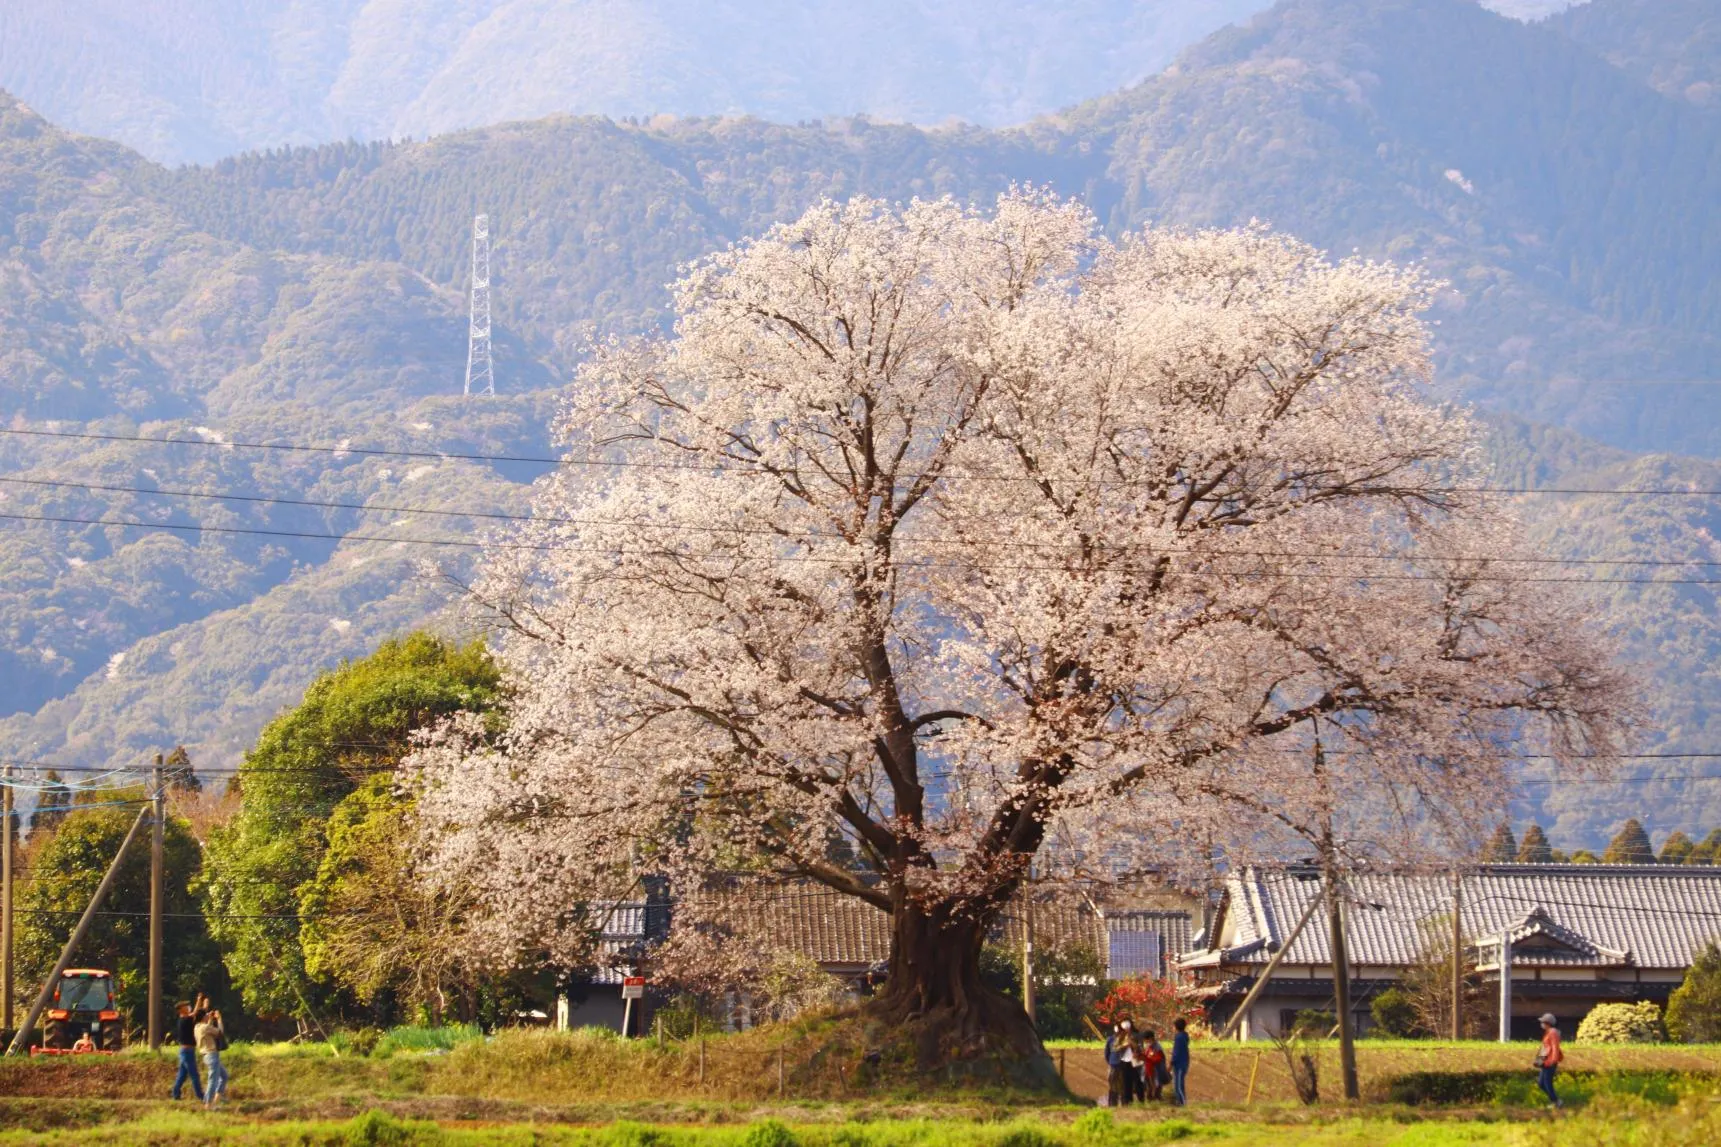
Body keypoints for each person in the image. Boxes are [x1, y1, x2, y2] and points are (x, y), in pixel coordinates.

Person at [170, 1000, 204, 1101]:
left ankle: (175, 1093)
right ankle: (201, 1096)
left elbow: (194, 1013)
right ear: (181, 1010)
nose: (188, 1007)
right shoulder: (184, 1020)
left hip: (187, 1052)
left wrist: (199, 1001)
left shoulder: (185, 1019)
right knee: (194, 1075)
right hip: (187, 1052)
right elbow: (195, 1013)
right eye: (185, 1006)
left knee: (182, 1075)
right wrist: (198, 1000)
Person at [196, 1007, 229, 1108]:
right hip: (211, 1055)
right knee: (213, 1080)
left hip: (207, 1055)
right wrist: (219, 1019)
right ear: (203, 1017)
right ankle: (208, 1104)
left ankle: (216, 1099)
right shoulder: (205, 1027)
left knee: (224, 1076)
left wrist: (209, 1019)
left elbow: (208, 1030)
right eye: (206, 1015)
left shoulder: (197, 1027)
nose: (207, 1015)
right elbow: (220, 1032)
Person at [1104, 1017, 1140, 1106]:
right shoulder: (1113, 1039)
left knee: (1123, 1085)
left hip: (1122, 1065)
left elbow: (1136, 1049)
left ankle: (1124, 1103)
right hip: (1115, 1065)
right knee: (1113, 1085)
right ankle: (1113, 1103)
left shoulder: (1131, 1037)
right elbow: (1110, 1052)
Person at [1535, 1013, 1563, 1109]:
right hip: (1545, 1062)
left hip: (1550, 1062)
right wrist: (1539, 1060)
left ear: (1547, 1023)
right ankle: (1555, 1100)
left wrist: (1553, 1060)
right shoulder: (1549, 1032)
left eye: (1543, 1022)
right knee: (1541, 1083)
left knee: (1547, 1083)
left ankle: (1556, 1101)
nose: (1541, 1023)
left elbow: (1555, 1047)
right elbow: (1545, 1048)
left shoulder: (1553, 1032)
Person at [1141, 1029, 1167, 1101]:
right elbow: (1147, 1055)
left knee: (1156, 1089)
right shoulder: (1150, 1046)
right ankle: (1152, 1101)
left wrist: (1145, 1058)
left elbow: (1157, 1059)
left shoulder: (1157, 1048)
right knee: (1149, 1088)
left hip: (1156, 1071)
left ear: (1151, 1038)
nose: (1145, 1042)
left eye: (1146, 1040)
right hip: (1148, 1070)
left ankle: (1157, 1101)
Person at [1170, 1018, 1191, 1106]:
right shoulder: (1184, 1036)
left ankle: (1182, 1103)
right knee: (1180, 1084)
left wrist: (1171, 1063)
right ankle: (1180, 1101)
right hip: (1184, 1063)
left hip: (1179, 1064)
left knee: (1178, 1086)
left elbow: (1176, 1052)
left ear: (1176, 1027)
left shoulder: (1179, 1037)